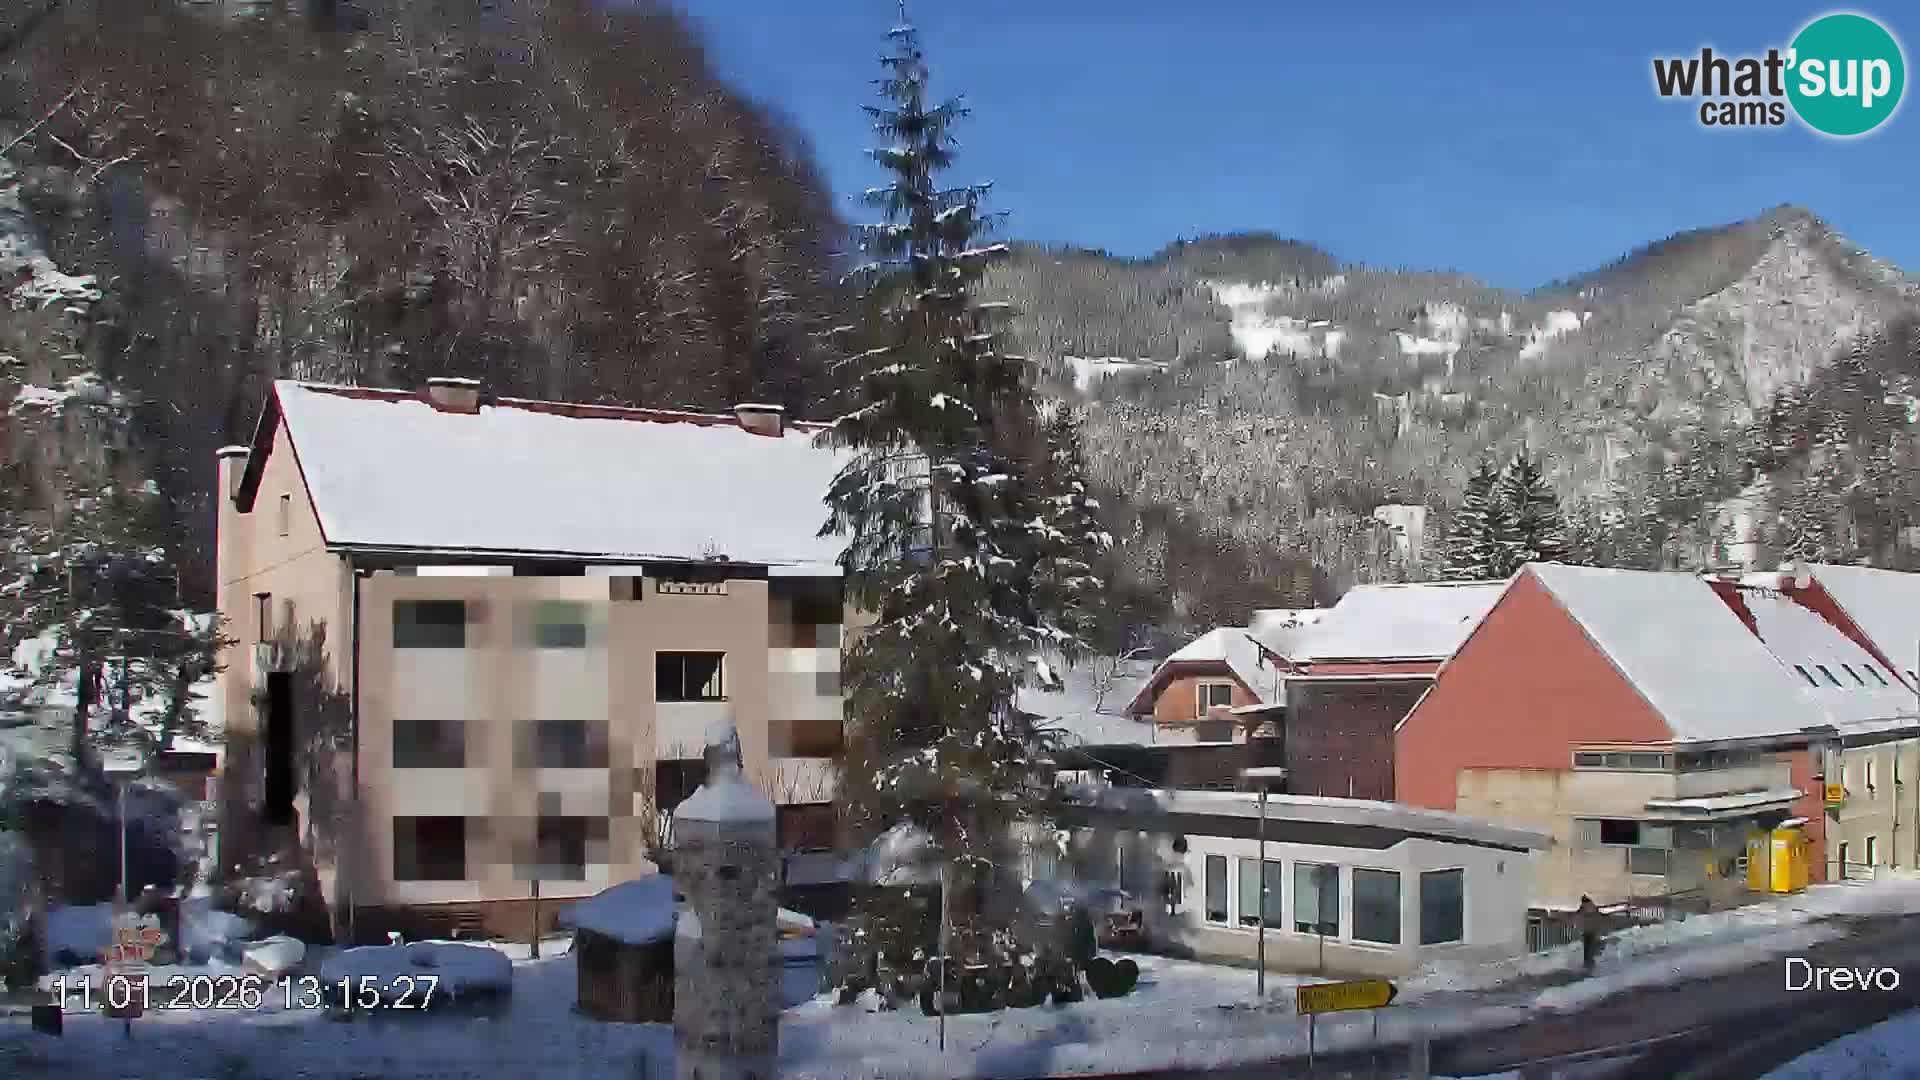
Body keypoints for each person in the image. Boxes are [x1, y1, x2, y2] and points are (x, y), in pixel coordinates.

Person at [1577, 895, 1601, 974]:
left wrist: (1580, 929)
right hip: (1593, 931)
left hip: (1586, 931)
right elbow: (1597, 918)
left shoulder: (1582, 909)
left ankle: (1588, 965)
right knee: (1591, 948)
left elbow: (1579, 918)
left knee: (1587, 949)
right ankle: (1591, 964)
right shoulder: (1594, 908)